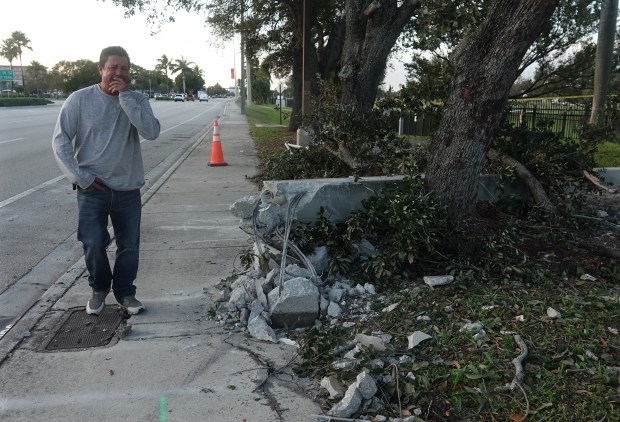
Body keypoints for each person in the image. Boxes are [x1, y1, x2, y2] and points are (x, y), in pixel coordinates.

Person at [52, 46, 160, 316]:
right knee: (92, 243)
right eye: (113, 67)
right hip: (92, 189)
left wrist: (125, 98)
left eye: (124, 68)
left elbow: (152, 132)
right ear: (101, 69)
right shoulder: (79, 100)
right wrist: (81, 177)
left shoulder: (136, 99)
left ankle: (125, 293)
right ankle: (99, 289)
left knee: (129, 245)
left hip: (128, 188)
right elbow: (60, 140)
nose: (118, 72)